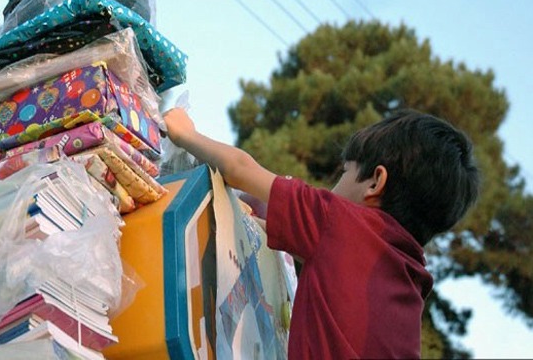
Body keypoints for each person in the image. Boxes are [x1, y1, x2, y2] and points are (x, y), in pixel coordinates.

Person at [164, 107, 480, 359]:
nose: (334, 185)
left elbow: (240, 169)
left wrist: (185, 133)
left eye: (345, 173)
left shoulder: (340, 222)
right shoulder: (408, 280)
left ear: (375, 183)